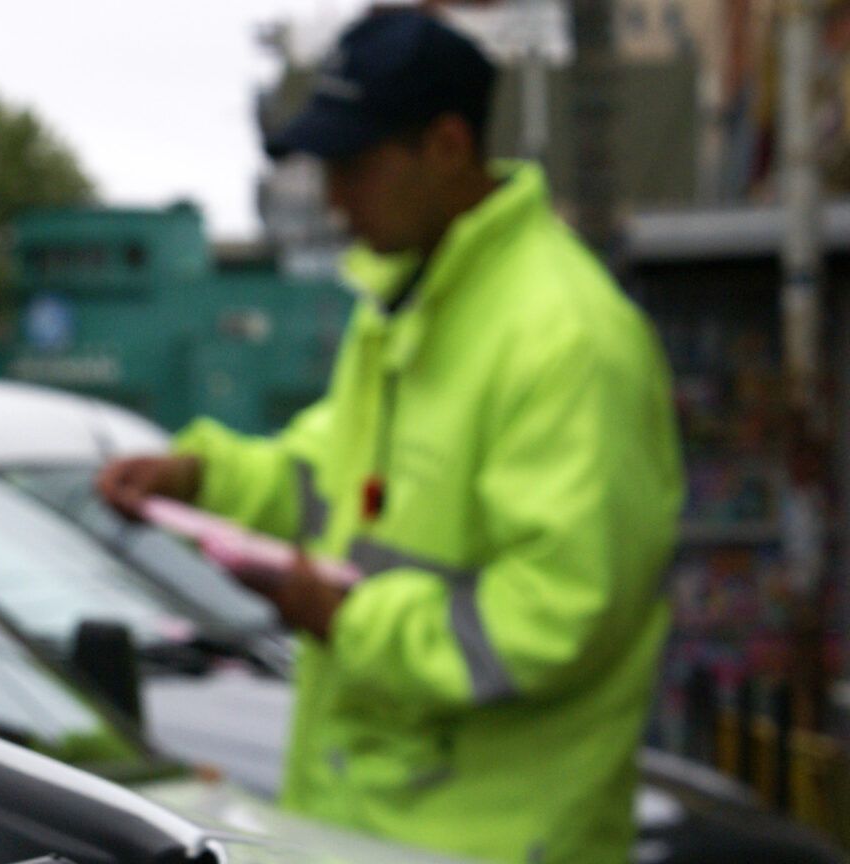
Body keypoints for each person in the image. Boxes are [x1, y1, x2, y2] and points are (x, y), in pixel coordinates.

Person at [96, 11, 683, 864]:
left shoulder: (565, 335)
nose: (334, 199)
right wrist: (200, 476)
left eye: (356, 166)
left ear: (447, 146)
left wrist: (344, 617)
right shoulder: (419, 303)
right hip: (372, 825)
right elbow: (319, 476)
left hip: (494, 841)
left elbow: (558, 616)